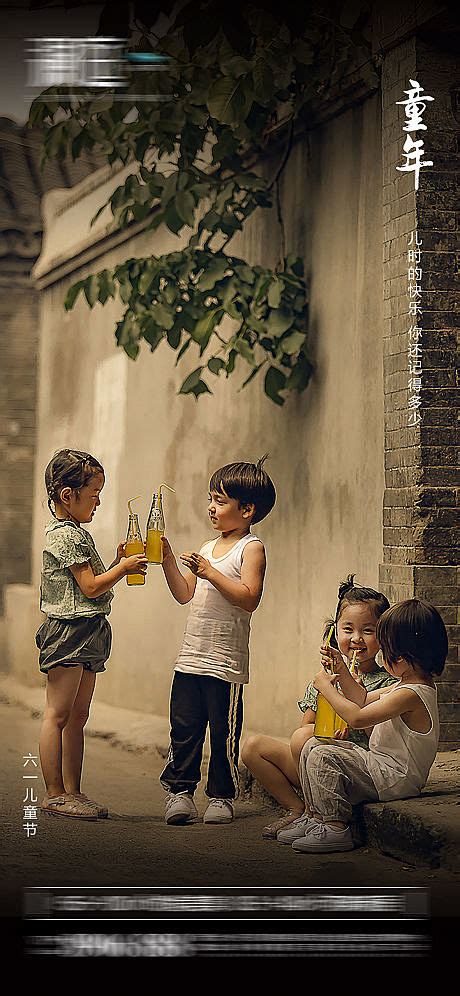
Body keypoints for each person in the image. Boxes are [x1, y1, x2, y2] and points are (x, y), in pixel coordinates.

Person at [159, 456, 276, 826]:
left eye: (220, 501)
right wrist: (167, 561)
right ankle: (180, 793)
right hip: (190, 658)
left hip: (225, 663)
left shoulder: (251, 548)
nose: (212, 507)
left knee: (224, 733)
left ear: (247, 509)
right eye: (211, 499)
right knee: (184, 729)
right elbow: (184, 594)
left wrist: (209, 573)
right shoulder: (207, 547)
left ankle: (222, 797)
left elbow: (249, 597)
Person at [36, 449, 147, 820]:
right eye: (94, 492)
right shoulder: (65, 537)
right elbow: (90, 588)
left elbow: (93, 584)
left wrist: (116, 563)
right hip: (68, 632)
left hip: (89, 630)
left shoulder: (77, 535)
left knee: (78, 716)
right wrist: (124, 568)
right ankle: (54, 792)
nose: (98, 501)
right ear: (68, 495)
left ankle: (74, 791)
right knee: (58, 713)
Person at [287, 598, 447, 854]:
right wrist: (340, 667)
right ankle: (315, 816)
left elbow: (358, 717)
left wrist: (327, 689)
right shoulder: (403, 685)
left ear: (405, 655)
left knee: (323, 755)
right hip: (381, 767)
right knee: (313, 744)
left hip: (395, 778)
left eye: (387, 650)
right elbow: (360, 698)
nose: (383, 656)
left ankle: (335, 826)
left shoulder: (412, 694)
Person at [243, 576, 397, 839]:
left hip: (351, 768)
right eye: (348, 629)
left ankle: (324, 814)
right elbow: (306, 727)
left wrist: (349, 735)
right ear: (335, 632)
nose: (357, 638)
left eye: (368, 631)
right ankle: (298, 808)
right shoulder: (325, 679)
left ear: (383, 637)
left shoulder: (386, 683)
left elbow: (382, 741)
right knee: (253, 747)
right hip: (312, 761)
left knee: (304, 739)